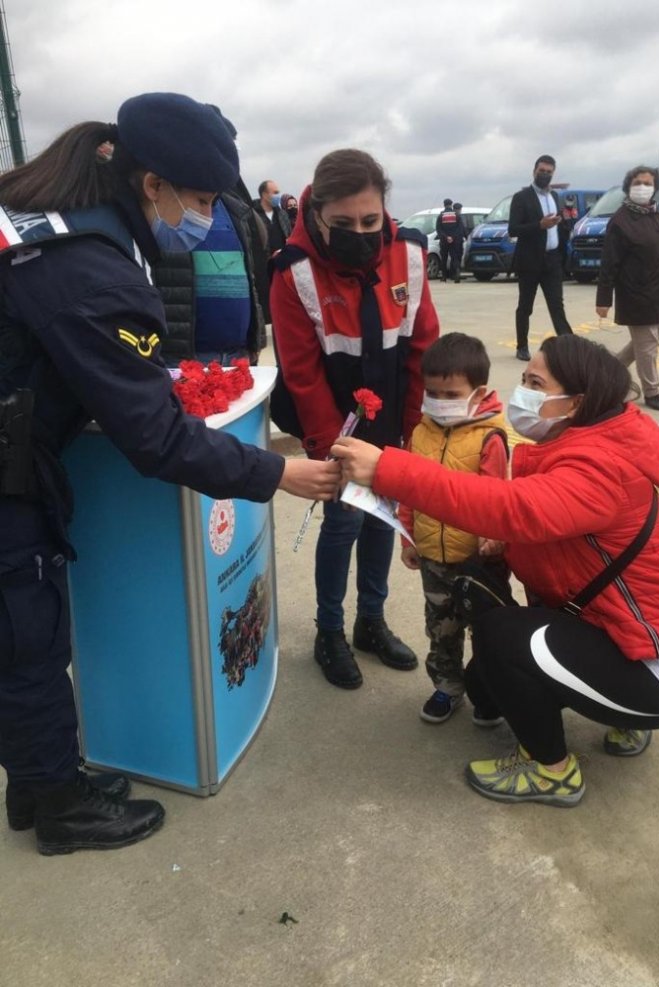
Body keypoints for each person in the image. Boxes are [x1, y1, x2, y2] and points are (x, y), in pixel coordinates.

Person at [0, 92, 340, 855]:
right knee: (26, 635)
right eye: (202, 198)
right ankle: (59, 807)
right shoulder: (89, 267)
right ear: (149, 184)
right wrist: (277, 473)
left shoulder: (53, 224)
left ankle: (36, 778)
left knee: (22, 632)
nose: (207, 217)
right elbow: (155, 438)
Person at [332, 334, 659, 807]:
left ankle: (553, 770)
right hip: (628, 639)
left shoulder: (599, 469)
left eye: (536, 383)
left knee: (501, 636)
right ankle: (620, 712)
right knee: (485, 683)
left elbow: (510, 509)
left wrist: (390, 470)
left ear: (576, 402)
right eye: (523, 379)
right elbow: (544, 537)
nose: (521, 393)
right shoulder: (580, 443)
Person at [270, 148, 440, 689]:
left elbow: (422, 349)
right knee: (342, 523)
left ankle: (372, 620)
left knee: (382, 522)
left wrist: (412, 436)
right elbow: (301, 373)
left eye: (370, 221)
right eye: (342, 224)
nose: (360, 233)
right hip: (337, 425)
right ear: (316, 213)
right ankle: (330, 631)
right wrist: (330, 452)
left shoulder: (410, 254)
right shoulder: (291, 272)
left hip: (392, 422)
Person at [396, 333, 509, 723]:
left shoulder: (489, 438)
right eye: (433, 393)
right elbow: (408, 489)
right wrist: (407, 536)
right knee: (441, 627)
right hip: (432, 556)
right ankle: (447, 686)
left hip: (478, 561)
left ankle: (489, 690)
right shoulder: (420, 433)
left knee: (485, 630)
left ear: (478, 393)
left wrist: (493, 538)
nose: (440, 403)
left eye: (451, 394)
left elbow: (496, 498)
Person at [153, 111, 270, 366]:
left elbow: (251, 278)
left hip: (237, 358)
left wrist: (255, 340)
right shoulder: (165, 208)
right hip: (182, 361)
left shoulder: (238, 211)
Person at [596, 165, 659, 413]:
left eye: (648, 183)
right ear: (628, 185)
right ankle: (652, 391)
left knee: (645, 343)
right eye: (638, 182)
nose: (643, 187)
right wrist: (603, 298)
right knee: (647, 347)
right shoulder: (620, 220)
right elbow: (609, 263)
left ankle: (602, 373)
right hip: (636, 293)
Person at [508, 155, 573, 361]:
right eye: (541, 171)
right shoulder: (521, 197)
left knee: (557, 305)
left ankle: (569, 346)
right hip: (530, 261)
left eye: (548, 172)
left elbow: (556, 226)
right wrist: (539, 225)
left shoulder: (554, 197)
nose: (544, 174)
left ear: (553, 173)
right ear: (534, 171)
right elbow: (513, 229)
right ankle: (522, 346)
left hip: (552, 260)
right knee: (525, 306)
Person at [253, 179, 292, 254]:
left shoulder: (282, 214)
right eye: (275, 193)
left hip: (282, 260)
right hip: (264, 263)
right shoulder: (253, 216)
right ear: (264, 194)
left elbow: (290, 236)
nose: (278, 196)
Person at [435, 198, 465, 282]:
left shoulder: (441, 216)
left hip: (444, 241)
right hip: (455, 241)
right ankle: (457, 275)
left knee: (444, 258)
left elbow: (438, 229)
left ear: (444, 205)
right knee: (455, 258)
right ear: (451, 205)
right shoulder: (456, 215)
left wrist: (446, 237)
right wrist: (453, 237)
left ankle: (444, 277)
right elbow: (459, 229)